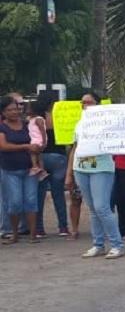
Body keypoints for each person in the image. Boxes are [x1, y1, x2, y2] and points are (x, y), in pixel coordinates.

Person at [65, 91, 125, 259]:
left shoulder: (107, 124)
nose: (85, 105)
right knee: (92, 208)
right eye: (83, 102)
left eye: (89, 102)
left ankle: (117, 244)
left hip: (101, 168)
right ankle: (98, 244)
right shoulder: (79, 124)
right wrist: (69, 173)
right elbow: (74, 148)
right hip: (81, 168)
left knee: (102, 207)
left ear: (98, 105)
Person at [0, 94, 41, 244]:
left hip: (30, 169)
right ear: (3, 112)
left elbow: (38, 140)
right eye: (10, 110)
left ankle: (32, 234)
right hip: (10, 170)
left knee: (31, 200)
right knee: (15, 202)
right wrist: (25, 146)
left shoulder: (27, 125)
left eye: (16, 109)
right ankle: (14, 233)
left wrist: (36, 147)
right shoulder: (2, 127)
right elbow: (3, 146)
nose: (14, 112)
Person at [35, 97, 69, 237]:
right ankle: (63, 227)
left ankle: (38, 228)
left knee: (39, 195)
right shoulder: (60, 117)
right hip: (59, 157)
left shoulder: (34, 120)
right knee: (58, 194)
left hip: (41, 157)